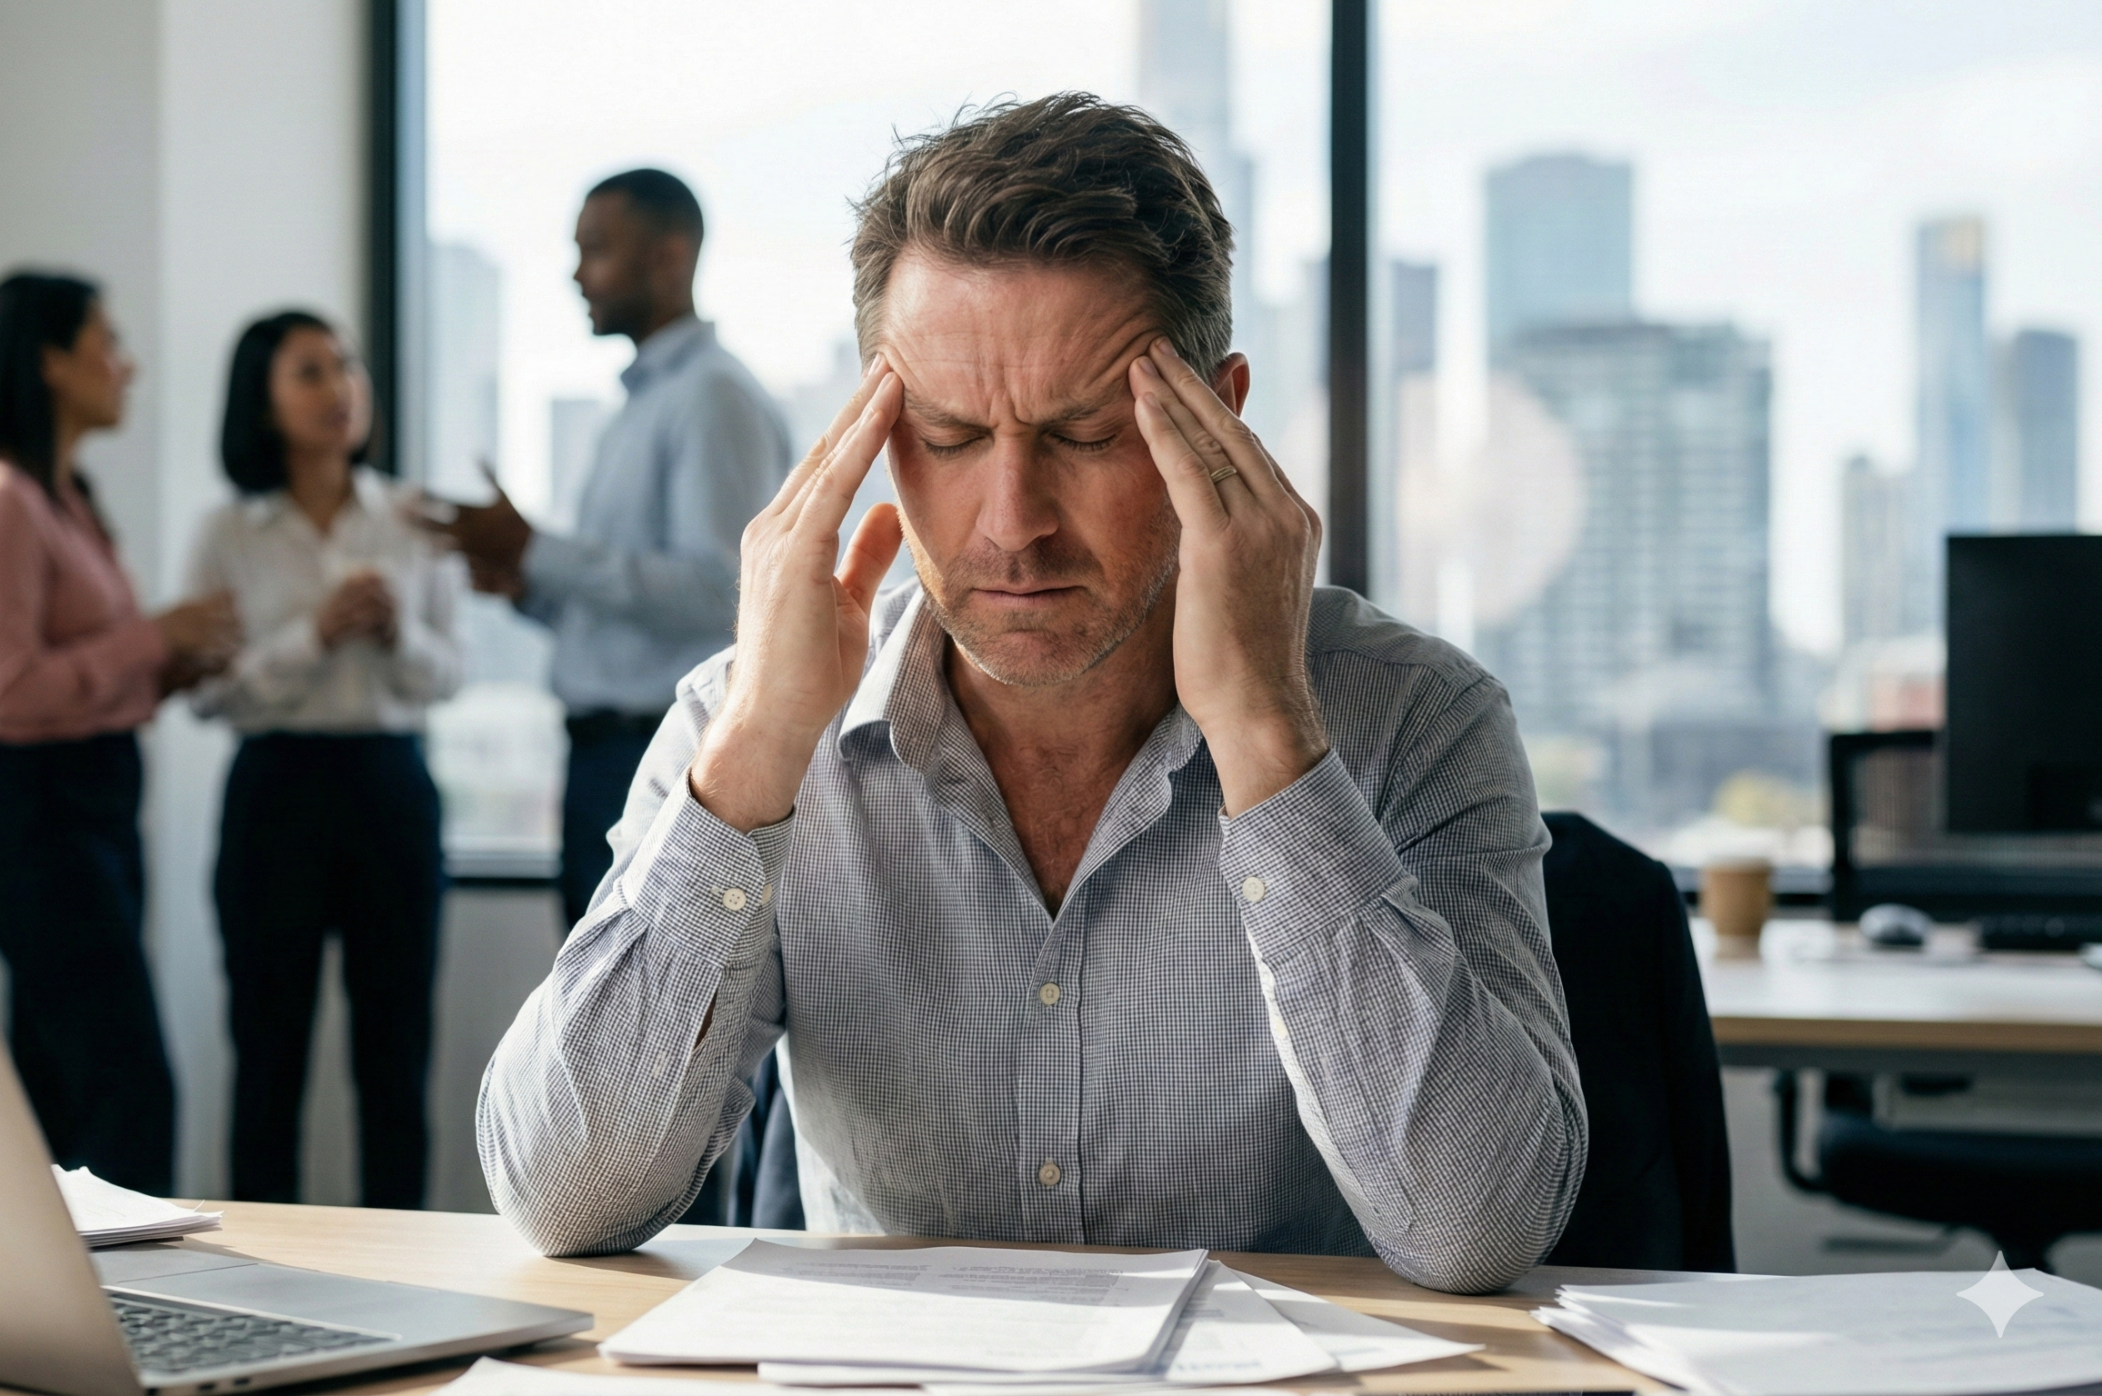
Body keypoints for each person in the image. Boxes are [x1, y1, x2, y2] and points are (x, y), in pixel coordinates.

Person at [477, 96, 1588, 1294]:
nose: (1012, 526)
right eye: (949, 437)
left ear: (1219, 416)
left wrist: (1269, 736)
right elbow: (562, 1196)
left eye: (1087, 432)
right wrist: (756, 751)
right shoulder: (744, 721)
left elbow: (1476, 1230)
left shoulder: (1417, 716)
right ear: (873, 431)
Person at [0, 270, 240, 1194]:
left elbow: (76, 677)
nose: (128, 365)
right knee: (127, 1087)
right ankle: (143, 1315)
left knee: (65, 1084)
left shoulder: (65, 497)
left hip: (90, 804)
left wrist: (170, 666)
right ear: (50, 361)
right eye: (107, 341)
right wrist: (155, 636)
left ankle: (59, 1309)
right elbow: (11, 691)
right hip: (37, 817)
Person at [431, 168, 792, 937]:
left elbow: (720, 594)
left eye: (595, 250)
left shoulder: (710, 398)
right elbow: (629, 598)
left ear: (668, 257)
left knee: (660, 1024)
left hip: (661, 759)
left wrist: (537, 547)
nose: (575, 273)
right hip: (608, 754)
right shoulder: (641, 402)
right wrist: (525, 581)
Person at [186, 310, 463, 1208]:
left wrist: (394, 632)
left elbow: (450, 675)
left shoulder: (415, 518)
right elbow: (207, 692)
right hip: (275, 792)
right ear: (261, 399)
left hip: (391, 786)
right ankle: (257, 1279)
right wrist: (315, 634)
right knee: (267, 1053)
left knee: (396, 1054)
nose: (339, 386)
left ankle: (413, 1282)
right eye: (309, 371)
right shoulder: (227, 532)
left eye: (346, 365)